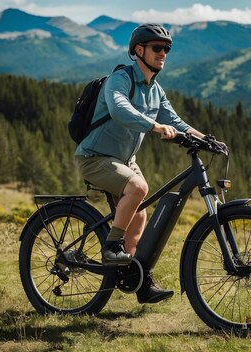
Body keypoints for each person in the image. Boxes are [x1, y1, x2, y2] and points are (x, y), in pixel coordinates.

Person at [75, 23, 206, 304]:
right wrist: (154, 126)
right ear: (138, 50)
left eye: (166, 49)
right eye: (157, 48)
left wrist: (204, 138)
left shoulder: (155, 89)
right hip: (94, 157)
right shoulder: (120, 79)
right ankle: (111, 247)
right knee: (138, 187)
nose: (163, 54)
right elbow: (120, 109)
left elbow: (175, 121)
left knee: (140, 213)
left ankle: (137, 279)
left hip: (124, 159)